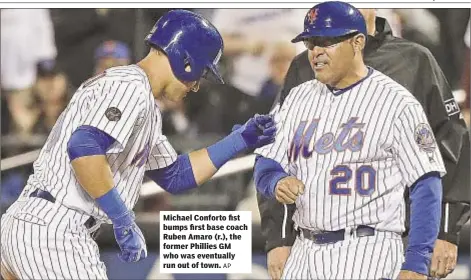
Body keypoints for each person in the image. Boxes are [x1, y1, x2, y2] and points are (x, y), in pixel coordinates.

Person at [0, 10, 276, 280]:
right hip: (55, 232)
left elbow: (176, 176)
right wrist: (122, 217)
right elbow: (83, 148)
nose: (195, 87)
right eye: (200, 74)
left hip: (34, 224)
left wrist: (239, 140)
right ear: (186, 61)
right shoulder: (132, 88)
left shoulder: (142, 101)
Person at [257, 6, 471, 280]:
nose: (316, 52)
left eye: (327, 42)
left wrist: (440, 235)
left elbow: (442, 157)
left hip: (378, 242)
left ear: (357, 41)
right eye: (312, 43)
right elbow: (270, 157)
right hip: (306, 247)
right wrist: (279, 236)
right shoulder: (301, 82)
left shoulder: (406, 78)